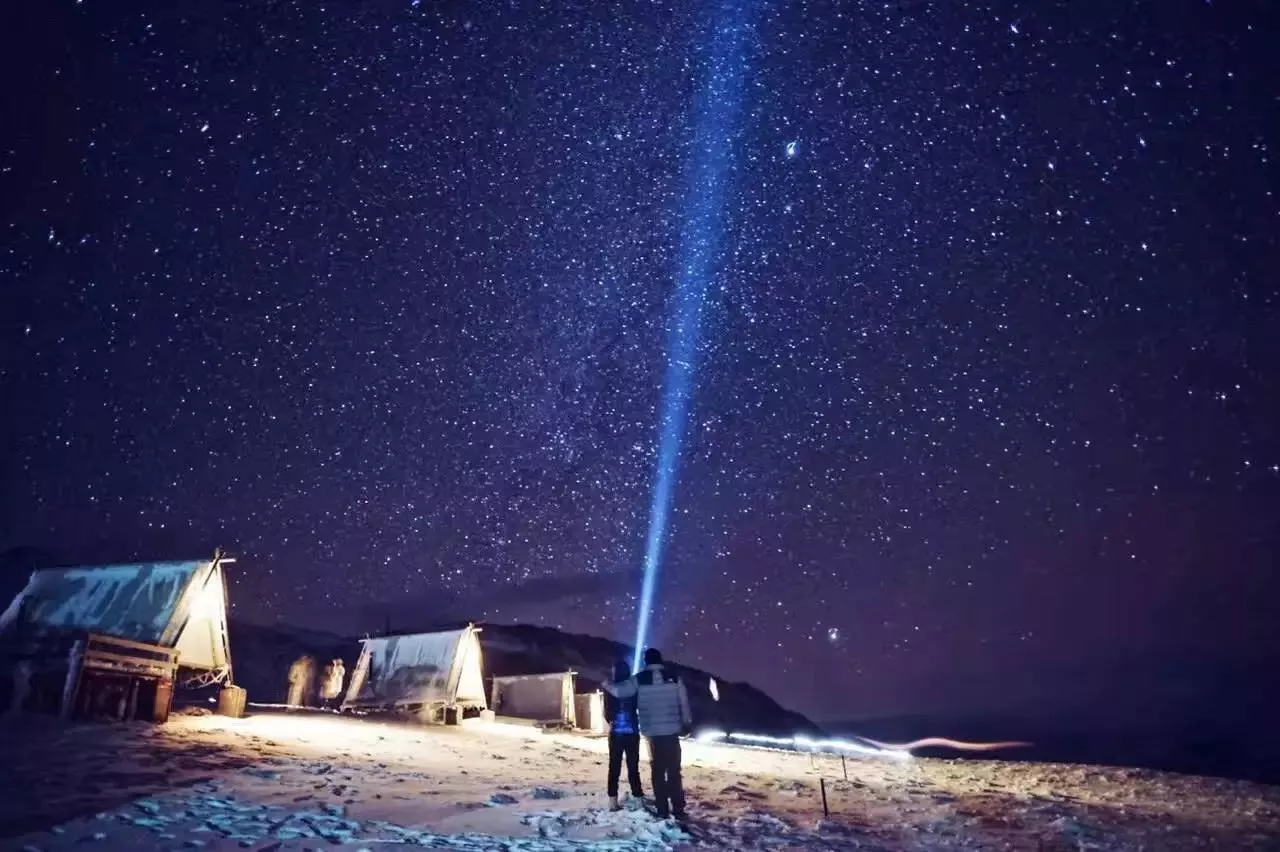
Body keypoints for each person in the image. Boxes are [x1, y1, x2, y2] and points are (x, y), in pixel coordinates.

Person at [602, 648, 692, 820]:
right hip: (672, 731)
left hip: (653, 733)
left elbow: (620, 692)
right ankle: (678, 808)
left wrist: (606, 684)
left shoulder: (640, 679)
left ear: (646, 662)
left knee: (658, 771)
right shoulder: (674, 677)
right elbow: (684, 702)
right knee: (674, 771)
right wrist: (686, 723)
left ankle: (662, 808)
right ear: (661, 660)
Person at [603, 659, 645, 810]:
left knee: (614, 767)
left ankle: (612, 801)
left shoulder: (609, 688)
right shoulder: (635, 688)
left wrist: (613, 722)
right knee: (633, 767)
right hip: (632, 732)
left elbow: (607, 713)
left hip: (616, 733)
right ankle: (638, 798)